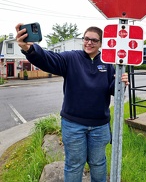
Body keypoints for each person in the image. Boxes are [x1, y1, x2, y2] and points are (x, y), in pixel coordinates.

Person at [15, 24, 129, 182]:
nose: (89, 43)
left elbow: (111, 90)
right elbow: (49, 59)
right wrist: (31, 50)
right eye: (86, 39)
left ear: (101, 43)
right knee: (74, 164)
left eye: (94, 40)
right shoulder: (70, 58)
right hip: (73, 125)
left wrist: (120, 83)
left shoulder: (108, 63)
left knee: (98, 163)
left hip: (100, 126)